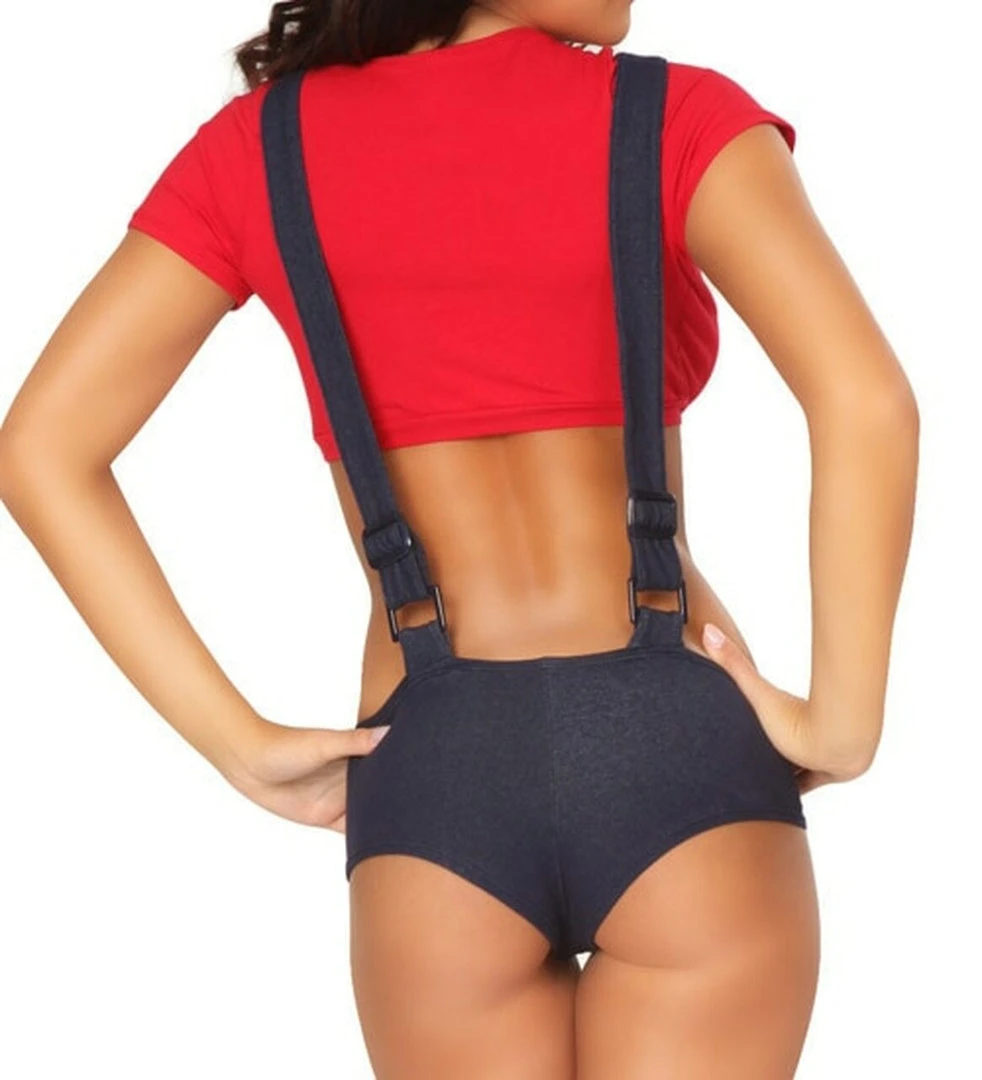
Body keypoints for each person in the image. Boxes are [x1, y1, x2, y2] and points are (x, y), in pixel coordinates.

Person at [0, 2, 918, 1077]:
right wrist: (842, 722)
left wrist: (237, 744)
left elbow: (40, 451)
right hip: (675, 739)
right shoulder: (675, 116)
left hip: (432, 768)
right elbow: (866, 403)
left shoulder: (257, 150)